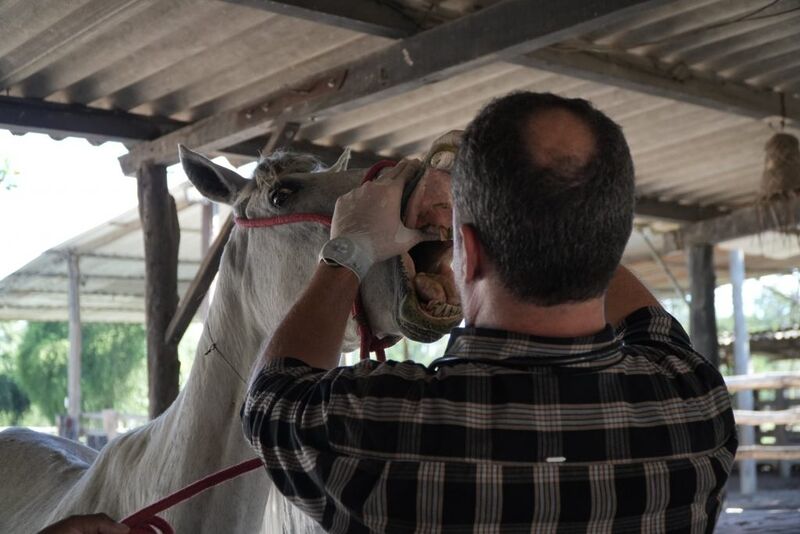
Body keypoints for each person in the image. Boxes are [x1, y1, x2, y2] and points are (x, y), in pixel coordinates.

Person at [245, 91, 736, 532]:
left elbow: (271, 399)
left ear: (469, 251)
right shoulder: (694, 403)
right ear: (608, 243)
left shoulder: (382, 429)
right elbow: (647, 319)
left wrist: (347, 249)